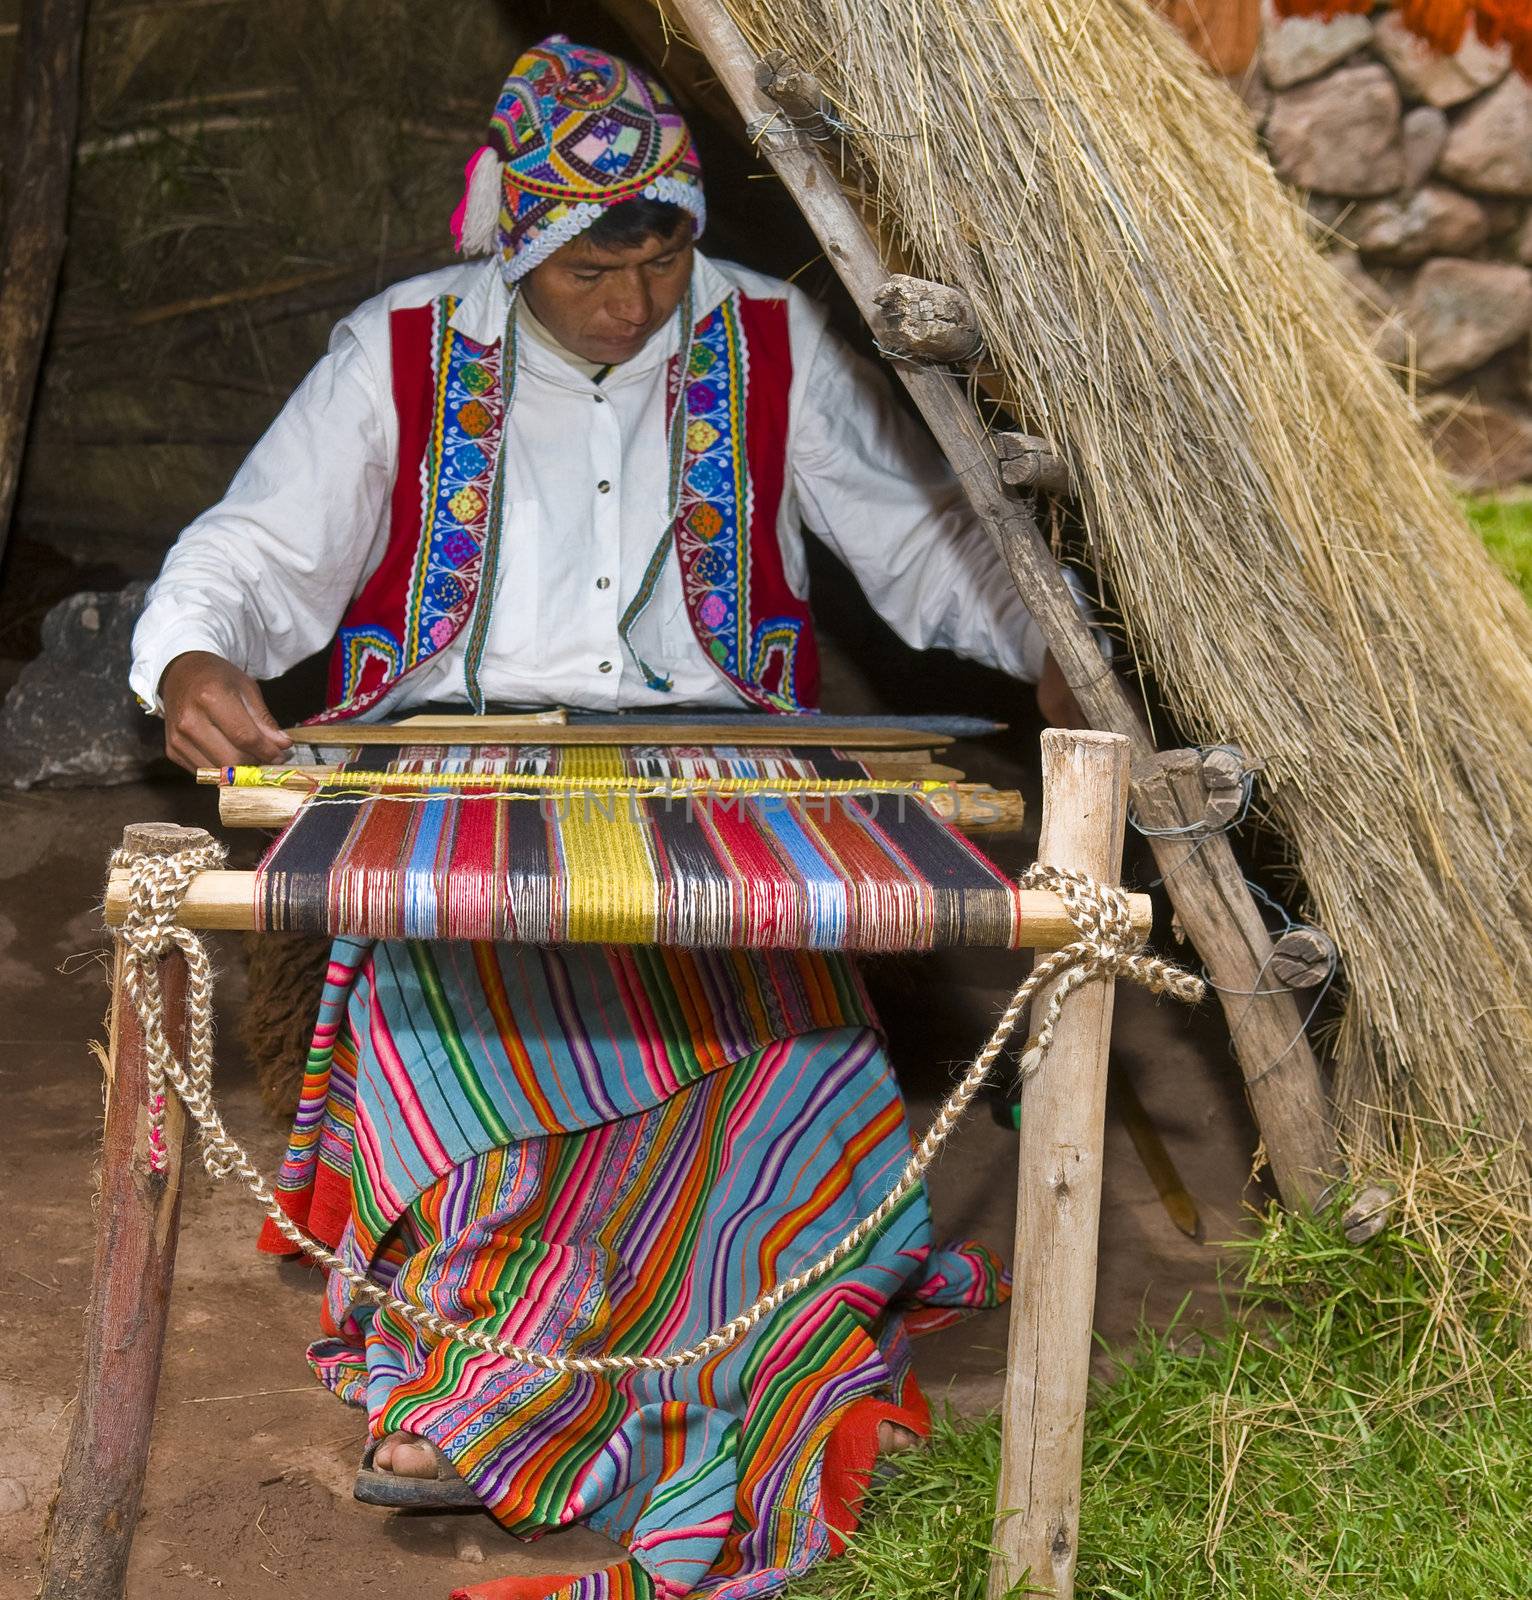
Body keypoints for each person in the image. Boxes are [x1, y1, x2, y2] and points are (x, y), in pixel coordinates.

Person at [131, 36, 1062, 1600]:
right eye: (588, 270)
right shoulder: (405, 349)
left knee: (776, 1002)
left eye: (663, 254)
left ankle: (736, 1315)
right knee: (492, 993)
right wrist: (192, 652)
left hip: (717, 764)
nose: (634, 302)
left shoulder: (768, 339)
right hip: (458, 772)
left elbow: (924, 552)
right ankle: (503, 1365)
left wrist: (1058, 645)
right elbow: (251, 549)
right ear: (511, 242)